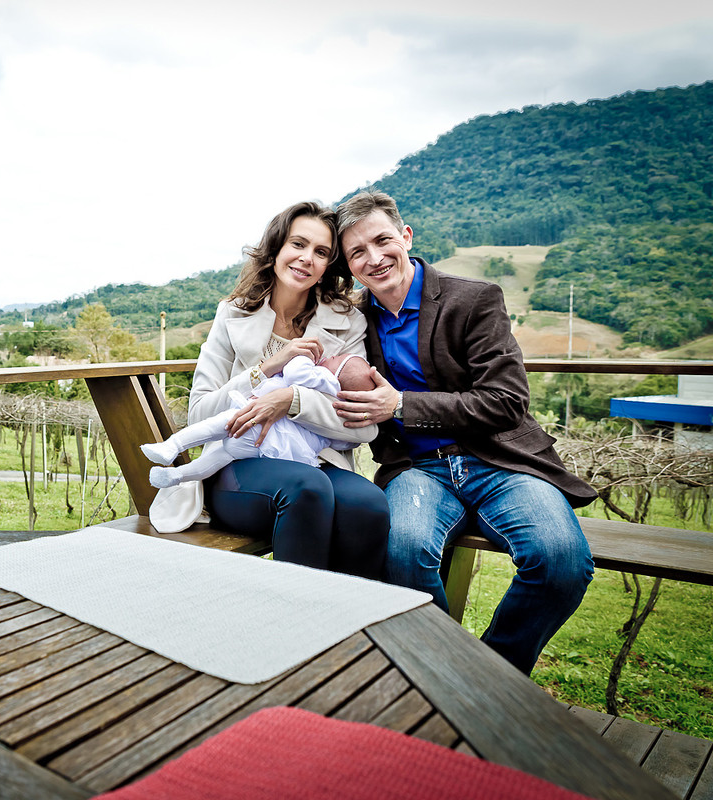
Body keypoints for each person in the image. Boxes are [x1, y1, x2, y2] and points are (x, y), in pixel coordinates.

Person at [331, 190, 596, 674]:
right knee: (402, 552)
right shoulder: (352, 320)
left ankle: (491, 676)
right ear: (348, 265)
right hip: (417, 468)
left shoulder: (473, 299)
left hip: (500, 461)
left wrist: (401, 404)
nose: (374, 258)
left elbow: (508, 401)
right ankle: (446, 675)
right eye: (357, 253)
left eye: (382, 240)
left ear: (406, 236)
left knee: (560, 562)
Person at [178, 200, 390, 580]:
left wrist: (292, 401)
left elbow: (362, 426)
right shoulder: (233, 314)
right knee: (306, 490)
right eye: (298, 244)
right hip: (238, 462)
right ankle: (294, 622)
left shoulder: (346, 324)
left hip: (316, 457)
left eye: (321, 252)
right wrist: (266, 370)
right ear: (276, 248)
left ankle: (351, 623)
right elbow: (199, 412)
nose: (307, 258)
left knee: (369, 503)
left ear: (328, 266)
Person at [141, 353, 376, 488]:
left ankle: (172, 446)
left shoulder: (324, 377)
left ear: (336, 373)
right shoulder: (334, 396)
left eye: (337, 358)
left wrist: (299, 357)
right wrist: (266, 367)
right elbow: (342, 442)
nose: (331, 355)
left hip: (253, 420)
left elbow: (295, 372)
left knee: (216, 428)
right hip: (277, 450)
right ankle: (176, 476)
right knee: (222, 456)